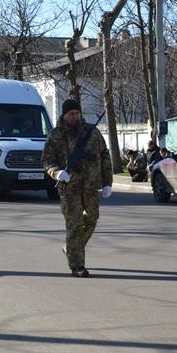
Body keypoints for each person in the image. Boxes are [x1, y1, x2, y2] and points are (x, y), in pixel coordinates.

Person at [42, 99, 113, 277]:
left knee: (92, 219)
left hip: (90, 186)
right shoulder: (56, 135)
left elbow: (104, 156)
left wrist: (107, 182)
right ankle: (77, 265)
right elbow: (46, 159)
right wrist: (56, 172)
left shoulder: (92, 132)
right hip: (69, 188)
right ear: (64, 115)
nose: (75, 116)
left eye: (77, 113)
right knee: (74, 226)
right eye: (71, 113)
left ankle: (70, 247)